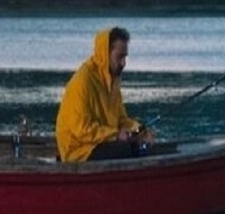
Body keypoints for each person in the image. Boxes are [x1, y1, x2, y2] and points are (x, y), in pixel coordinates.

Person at [55, 27, 153, 162]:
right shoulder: (83, 81)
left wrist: (139, 130)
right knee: (124, 149)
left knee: (142, 145)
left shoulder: (113, 81)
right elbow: (82, 130)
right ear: (105, 54)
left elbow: (121, 119)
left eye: (125, 57)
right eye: (120, 57)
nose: (124, 63)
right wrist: (116, 135)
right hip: (79, 150)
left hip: (101, 142)